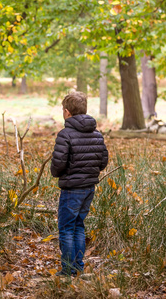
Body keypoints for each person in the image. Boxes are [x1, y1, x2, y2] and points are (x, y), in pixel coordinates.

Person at [51, 91, 108, 276]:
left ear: (67, 112)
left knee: (67, 228)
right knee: (79, 226)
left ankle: (68, 269)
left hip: (71, 190)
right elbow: (103, 162)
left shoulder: (65, 134)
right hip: (89, 189)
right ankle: (77, 267)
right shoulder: (97, 135)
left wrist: (56, 173)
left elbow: (58, 164)